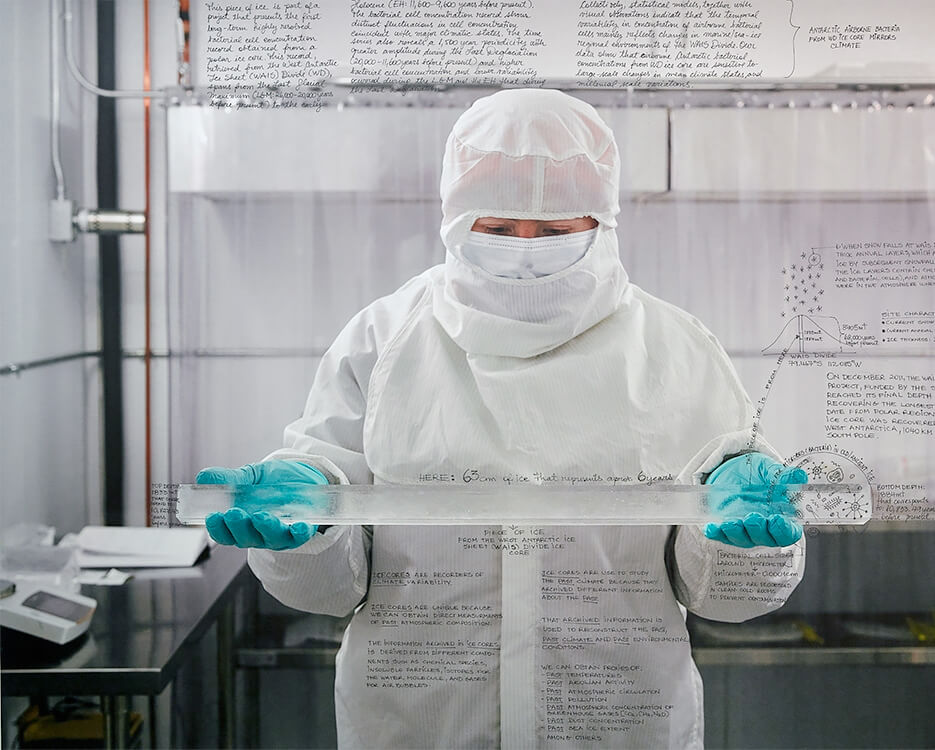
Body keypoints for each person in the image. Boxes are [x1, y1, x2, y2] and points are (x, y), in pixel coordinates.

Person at [198, 89, 806, 749]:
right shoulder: (383, 341)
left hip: (616, 725)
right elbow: (332, 587)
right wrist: (307, 526)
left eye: (551, 230)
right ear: (457, 217)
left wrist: (743, 541)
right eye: (499, 227)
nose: (524, 250)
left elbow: (724, 597)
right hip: (421, 726)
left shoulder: (676, 350)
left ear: (601, 219)